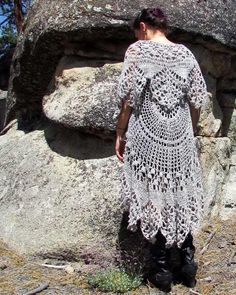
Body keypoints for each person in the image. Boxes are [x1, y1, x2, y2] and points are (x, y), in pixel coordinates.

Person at [114, 7, 209, 293]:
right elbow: (197, 101)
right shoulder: (185, 54)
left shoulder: (138, 50)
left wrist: (120, 132)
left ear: (143, 27)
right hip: (179, 138)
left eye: (136, 32)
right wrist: (188, 133)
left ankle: (163, 270)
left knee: (155, 195)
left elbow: (128, 99)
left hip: (147, 135)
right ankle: (187, 263)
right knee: (179, 194)